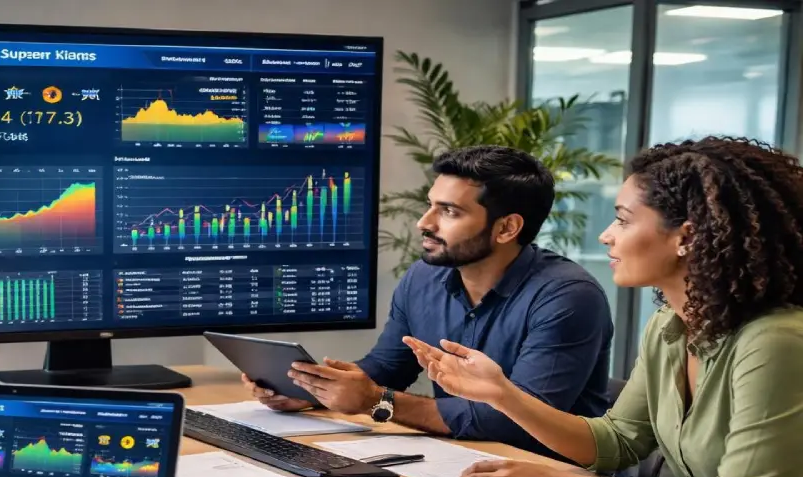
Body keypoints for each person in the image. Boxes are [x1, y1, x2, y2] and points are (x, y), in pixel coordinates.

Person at [407, 136, 803, 477]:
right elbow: (616, 441)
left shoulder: (775, 341)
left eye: (623, 220)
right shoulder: (670, 327)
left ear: (686, 237)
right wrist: (502, 395)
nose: (606, 236)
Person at [244, 146, 613, 459]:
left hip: (549, 475)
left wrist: (376, 401)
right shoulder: (424, 277)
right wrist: (312, 390)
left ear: (506, 228)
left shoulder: (568, 297)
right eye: (430, 205)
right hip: (460, 459)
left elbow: (517, 420)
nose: (424, 222)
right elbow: (388, 368)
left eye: (449, 211)